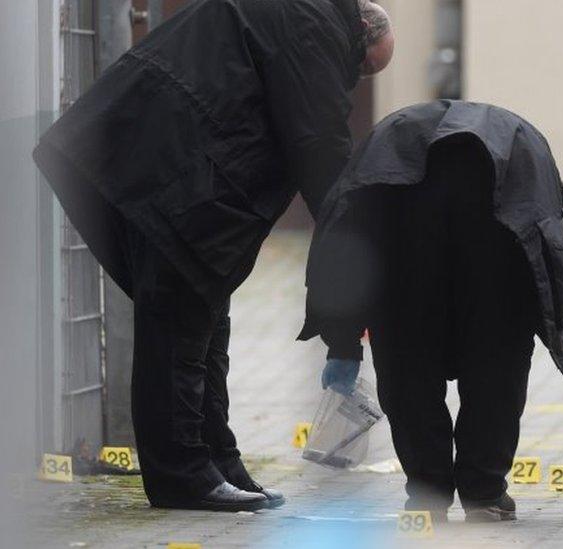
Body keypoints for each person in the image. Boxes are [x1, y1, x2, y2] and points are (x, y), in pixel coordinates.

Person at [33, 0, 394, 512]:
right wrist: (355, 243)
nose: (355, 78)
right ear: (361, 29)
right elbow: (319, 147)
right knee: (179, 322)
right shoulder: (314, 27)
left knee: (202, 319)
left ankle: (216, 461)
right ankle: (182, 475)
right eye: (363, 65)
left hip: (169, 162)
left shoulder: (302, 14)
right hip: (172, 171)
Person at [301, 101, 563, 522]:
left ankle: (428, 496)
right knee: (496, 365)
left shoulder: (390, 140)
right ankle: (483, 493)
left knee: (407, 364)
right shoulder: (520, 143)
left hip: (402, 244)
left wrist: (342, 340)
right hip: (497, 244)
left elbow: (342, 234)